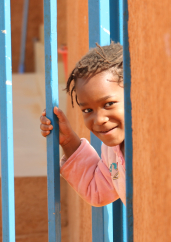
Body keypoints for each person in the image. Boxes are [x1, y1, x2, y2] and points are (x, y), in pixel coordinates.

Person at [40, 42, 126, 207]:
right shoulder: (111, 152)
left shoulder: (147, 142)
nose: (99, 119)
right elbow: (97, 191)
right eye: (87, 110)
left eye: (109, 104)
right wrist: (68, 141)